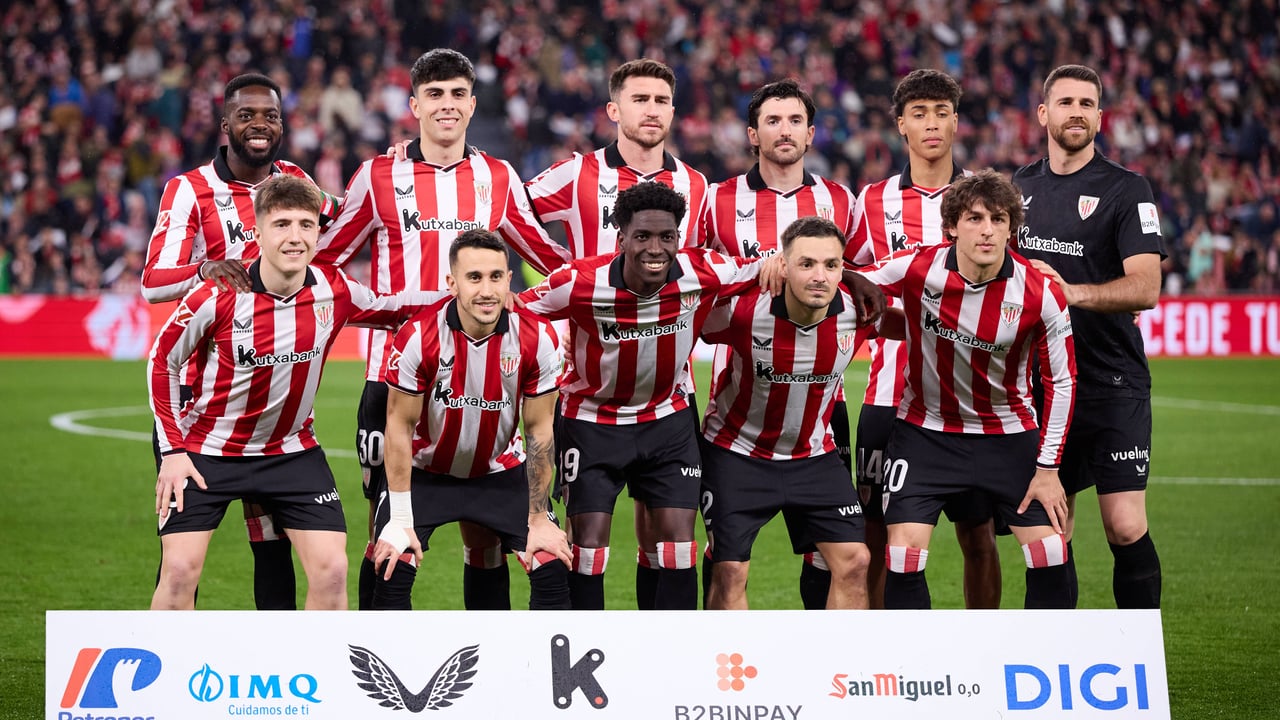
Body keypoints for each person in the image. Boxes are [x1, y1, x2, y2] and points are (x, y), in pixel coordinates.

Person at [315, 48, 571, 611]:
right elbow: (325, 261)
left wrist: (532, 304)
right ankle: (375, 648)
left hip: (485, 375)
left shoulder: (497, 177)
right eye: (434, 94)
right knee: (388, 530)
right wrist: (382, 308)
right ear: (413, 105)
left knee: (487, 539)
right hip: (394, 379)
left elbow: (550, 260)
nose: (446, 105)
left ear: (474, 105)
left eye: (457, 94)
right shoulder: (378, 176)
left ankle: (488, 652)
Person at [149, 174, 439, 610]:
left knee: (332, 571)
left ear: (318, 234)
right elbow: (161, 361)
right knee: (178, 573)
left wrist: (469, 296)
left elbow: (394, 307)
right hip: (207, 451)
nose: (295, 237)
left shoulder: (333, 289)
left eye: (306, 225)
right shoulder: (218, 294)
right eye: (282, 225)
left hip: (290, 451)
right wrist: (173, 452)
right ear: (258, 233)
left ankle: (315, 658)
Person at [141, 72, 339, 610]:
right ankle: (169, 652)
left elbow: (344, 214)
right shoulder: (189, 189)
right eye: (246, 115)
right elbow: (153, 281)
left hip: (271, 391)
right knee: (181, 557)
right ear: (225, 123)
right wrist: (205, 267)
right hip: (199, 401)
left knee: (272, 542)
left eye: (270, 115)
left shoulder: (295, 178)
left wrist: (392, 167)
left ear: (282, 124)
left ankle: (276, 657)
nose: (259, 125)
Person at [516, 182, 763, 610]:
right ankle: (587, 648)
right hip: (591, 423)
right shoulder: (579, 281)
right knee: (589, 551)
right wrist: (545, 351)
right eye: (643, 236)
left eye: (667, 237)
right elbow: (517, 312)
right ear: (621, 239)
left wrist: (852, 279)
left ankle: (669, 647)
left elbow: (772, 268)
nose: (655, 248)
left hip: (667, 421)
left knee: (679, 548)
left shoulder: (705, 270)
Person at [525, 58, 710, 609]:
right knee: (589, 544)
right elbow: (507, 212)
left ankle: (661, 651)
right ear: (613, 109)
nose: (651, 110)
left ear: (673, 112)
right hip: (590, 387)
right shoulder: (576, 175)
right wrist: (565, 274)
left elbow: (704, 268)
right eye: (639, 99)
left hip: (668, 391)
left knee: (667, 541)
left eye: (661, 101)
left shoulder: (695, 186)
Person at [856, 169, 1076, 609]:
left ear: (1012, 229)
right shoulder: (919, 267)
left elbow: (1062, 381)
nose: (987, 230)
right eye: (975, 218)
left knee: (1050, 550)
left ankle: (1041, 650)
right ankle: (911, 653)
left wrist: (1049, 469)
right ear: (952, 226)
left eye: (998, 219)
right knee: (902, 553)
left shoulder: (1041, 292)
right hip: (925, 433)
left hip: (1008, 435)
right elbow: (850, 281)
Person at [843, 69, 1003, 609]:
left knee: (976, 534)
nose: (931, 124)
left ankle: (983, 645)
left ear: (956, 122)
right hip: (889, 394)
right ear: (901, 126)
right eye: (919, 114)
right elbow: (852, 279)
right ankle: (881, 648)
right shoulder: (872, 200)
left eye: (941, 113)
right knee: (874, 530)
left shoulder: (986, 197)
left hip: (970, 400)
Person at [701, 78, 859, 610]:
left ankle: (822, 655)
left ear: (811, 134)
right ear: (753, 134)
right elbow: (698, 277)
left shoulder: (840, 199)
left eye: (795, 121)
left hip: (822, 407)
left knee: (829, 557)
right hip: (745, 392)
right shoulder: (718, 199)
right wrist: (755, 271)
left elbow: (859, 279)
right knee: (728, 560)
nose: (784, 130)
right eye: (772, 120)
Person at [1014, 64, 1165, 609]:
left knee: (1124, 526)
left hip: (1111, 381)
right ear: (1043, 114)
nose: (1076, 112)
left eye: (1086, 104)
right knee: (1050, 534)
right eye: (1065, 102)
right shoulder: (1019, 189)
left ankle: (1141, 649)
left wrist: (1071, 292)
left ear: (1100, 118)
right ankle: (1052, 653)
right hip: (1043, 387)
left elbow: (1147, 286)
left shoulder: (1127, 189)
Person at [369, 230, 572, 610]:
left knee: (551, 562)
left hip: (500, 472)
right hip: (426, 473)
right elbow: (399, 428)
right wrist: (400, 518)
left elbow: (539, 431)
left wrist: (539, 517)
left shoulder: (537, 337)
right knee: (394, 562)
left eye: (495, 277)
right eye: (474, 278)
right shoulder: (419, 336)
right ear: (452, 283)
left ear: (509, 280)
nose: (486, 290)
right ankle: (386, 649)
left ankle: (540, 653)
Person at [700, 216, 875, 610]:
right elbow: (690, 310)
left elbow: (916, 317)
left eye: (831, 265)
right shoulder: (744, 311)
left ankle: (842, 654)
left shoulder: (860, 312)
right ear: (783, 265)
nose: (819, 276)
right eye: (806, 264)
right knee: (730, 572)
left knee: (855, 561)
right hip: (736, 454)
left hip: (813, 457)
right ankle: (727, 653)